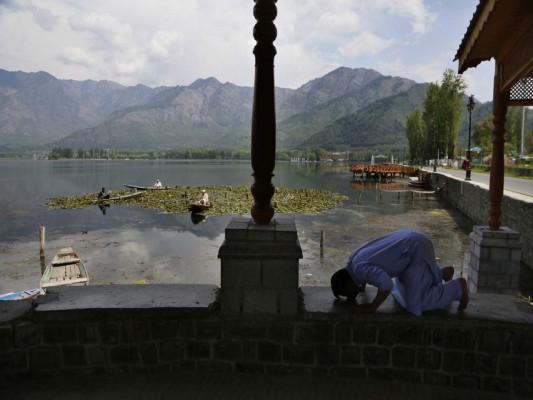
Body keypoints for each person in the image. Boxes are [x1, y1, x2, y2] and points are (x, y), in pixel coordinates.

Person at [330, 228, 469, 316]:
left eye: (347, 294)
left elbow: (386, 284)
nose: (350, 297)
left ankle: (458, 287)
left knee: (417, 303)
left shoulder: (359, 270)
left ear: (348, 285)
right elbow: (369, 269)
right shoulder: (353, 259)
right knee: (400, 293)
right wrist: (362, 287)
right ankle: (441, 273)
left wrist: (373, 306)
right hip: (409, 241)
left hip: (415, 250)